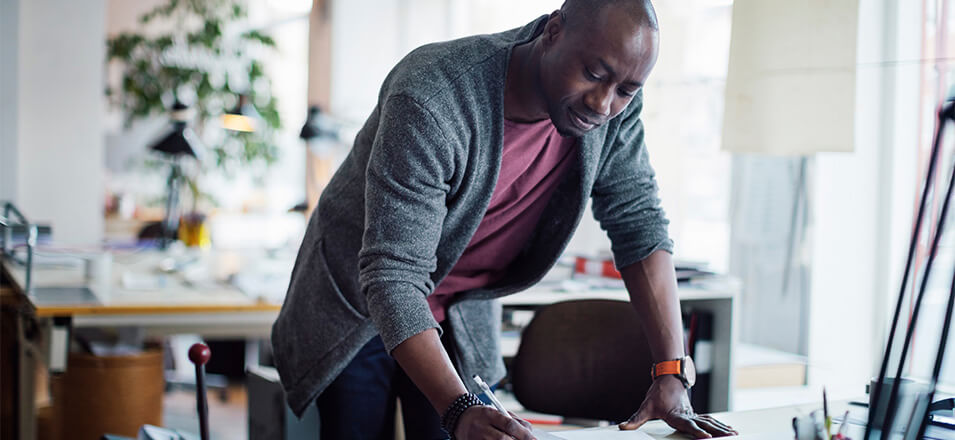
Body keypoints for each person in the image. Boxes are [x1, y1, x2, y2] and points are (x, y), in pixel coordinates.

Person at [272, 0, 737, 438]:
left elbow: (639, 223)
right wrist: (457, 409)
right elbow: (392, 275)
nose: (603, 103)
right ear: (553, 31)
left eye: (626, 90)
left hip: (456, 309)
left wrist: (672, 372)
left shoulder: (615, 108)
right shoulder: (433, 95)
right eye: (593, 74)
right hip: (357, 302)